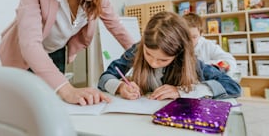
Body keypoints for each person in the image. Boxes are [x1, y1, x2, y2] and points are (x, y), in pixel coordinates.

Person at [0, 0, 134, 106]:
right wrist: (68, 89)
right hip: (24, 53)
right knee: (24, 105)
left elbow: (117, 26)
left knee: (53, 104)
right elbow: (30, 44)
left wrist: (144, 58)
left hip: (57, 51)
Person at [98, 11, 241, 100]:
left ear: (178, 54)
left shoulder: (189, 60)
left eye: (163, 59)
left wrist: (182, 91)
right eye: (148, 54)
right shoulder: (137, 50)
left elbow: (232, 86)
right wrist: (120, 87)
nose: (153, 63)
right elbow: (105, 77)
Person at [182, 12, 238, 78]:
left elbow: (230, 61)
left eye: (194, 37)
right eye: (186, 36)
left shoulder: (208, 45)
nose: (189, 41)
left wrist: (206, 65)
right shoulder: (178, 45)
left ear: (201, 34)